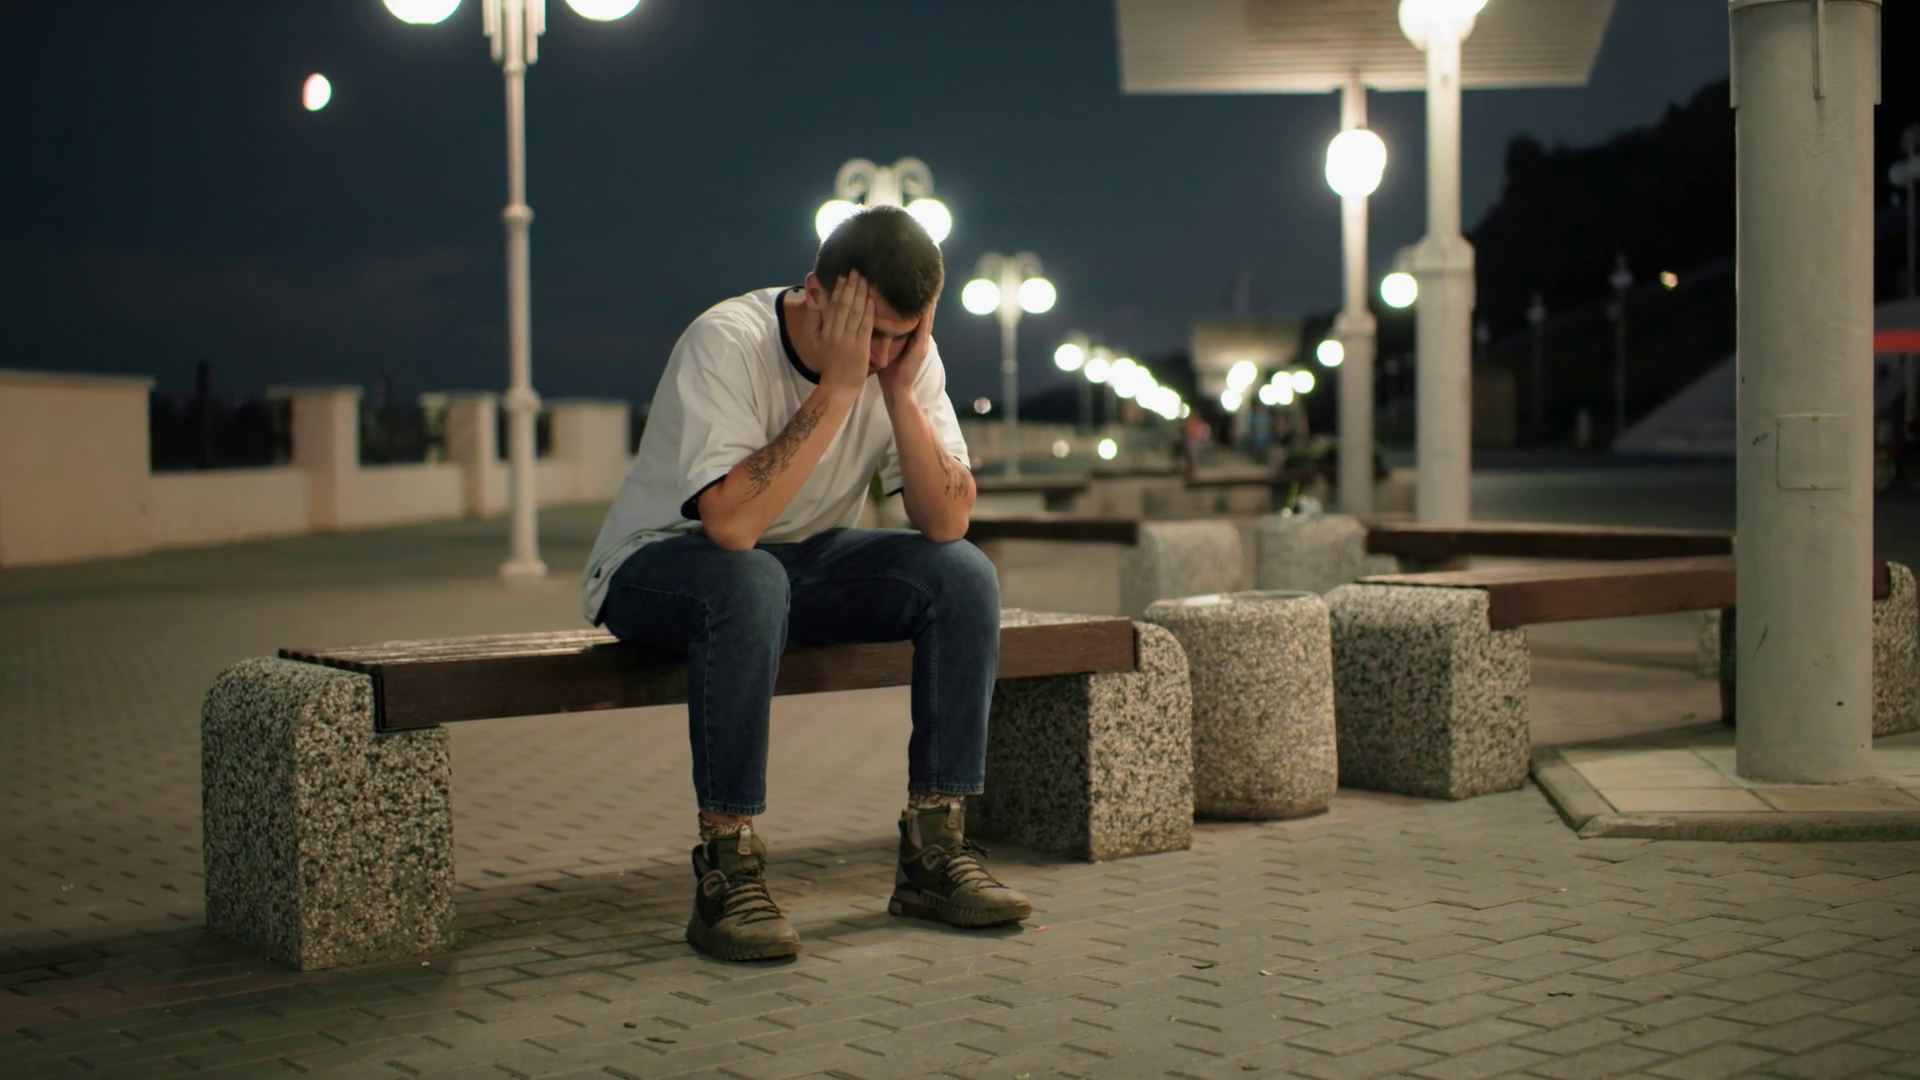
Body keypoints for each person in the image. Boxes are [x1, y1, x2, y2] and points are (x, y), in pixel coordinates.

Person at [581, 206, 1032, 962]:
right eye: (870, 331)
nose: (882, 353)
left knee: (962, 575)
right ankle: (728, 869)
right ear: (816, 293)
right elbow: (731, 526)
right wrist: (837, 390)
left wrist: (899, 393)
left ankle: (934, 850)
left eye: (902, 335)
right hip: (658, 562)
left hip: (793, 563)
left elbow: (947, 519)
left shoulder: (906, 364)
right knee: (748, 579)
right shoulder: (728, 341)